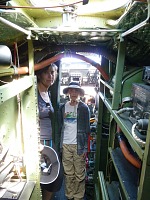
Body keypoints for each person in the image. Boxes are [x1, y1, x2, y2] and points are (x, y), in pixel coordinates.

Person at [58, 82, 91, 200]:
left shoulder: (84, 108)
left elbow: (87, 130)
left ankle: (78, 196)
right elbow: (61, 126)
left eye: (76, 91)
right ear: (68, 92)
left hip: (79, 145)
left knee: (79, 174)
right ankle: (69, 195)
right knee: (68, 173)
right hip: (66, 144)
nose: (73, 93)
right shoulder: (62, 107)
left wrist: (86, 149)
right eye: (71, 91)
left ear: (79, 93)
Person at [36, 63, 63, 200]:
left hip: (49, 142)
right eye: (47, 72)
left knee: (53, 178)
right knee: (42, 178)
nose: (50, 76)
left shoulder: (47, 92)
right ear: (39, 74)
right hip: (39, 143)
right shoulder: (34, 93)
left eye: (53, 72)